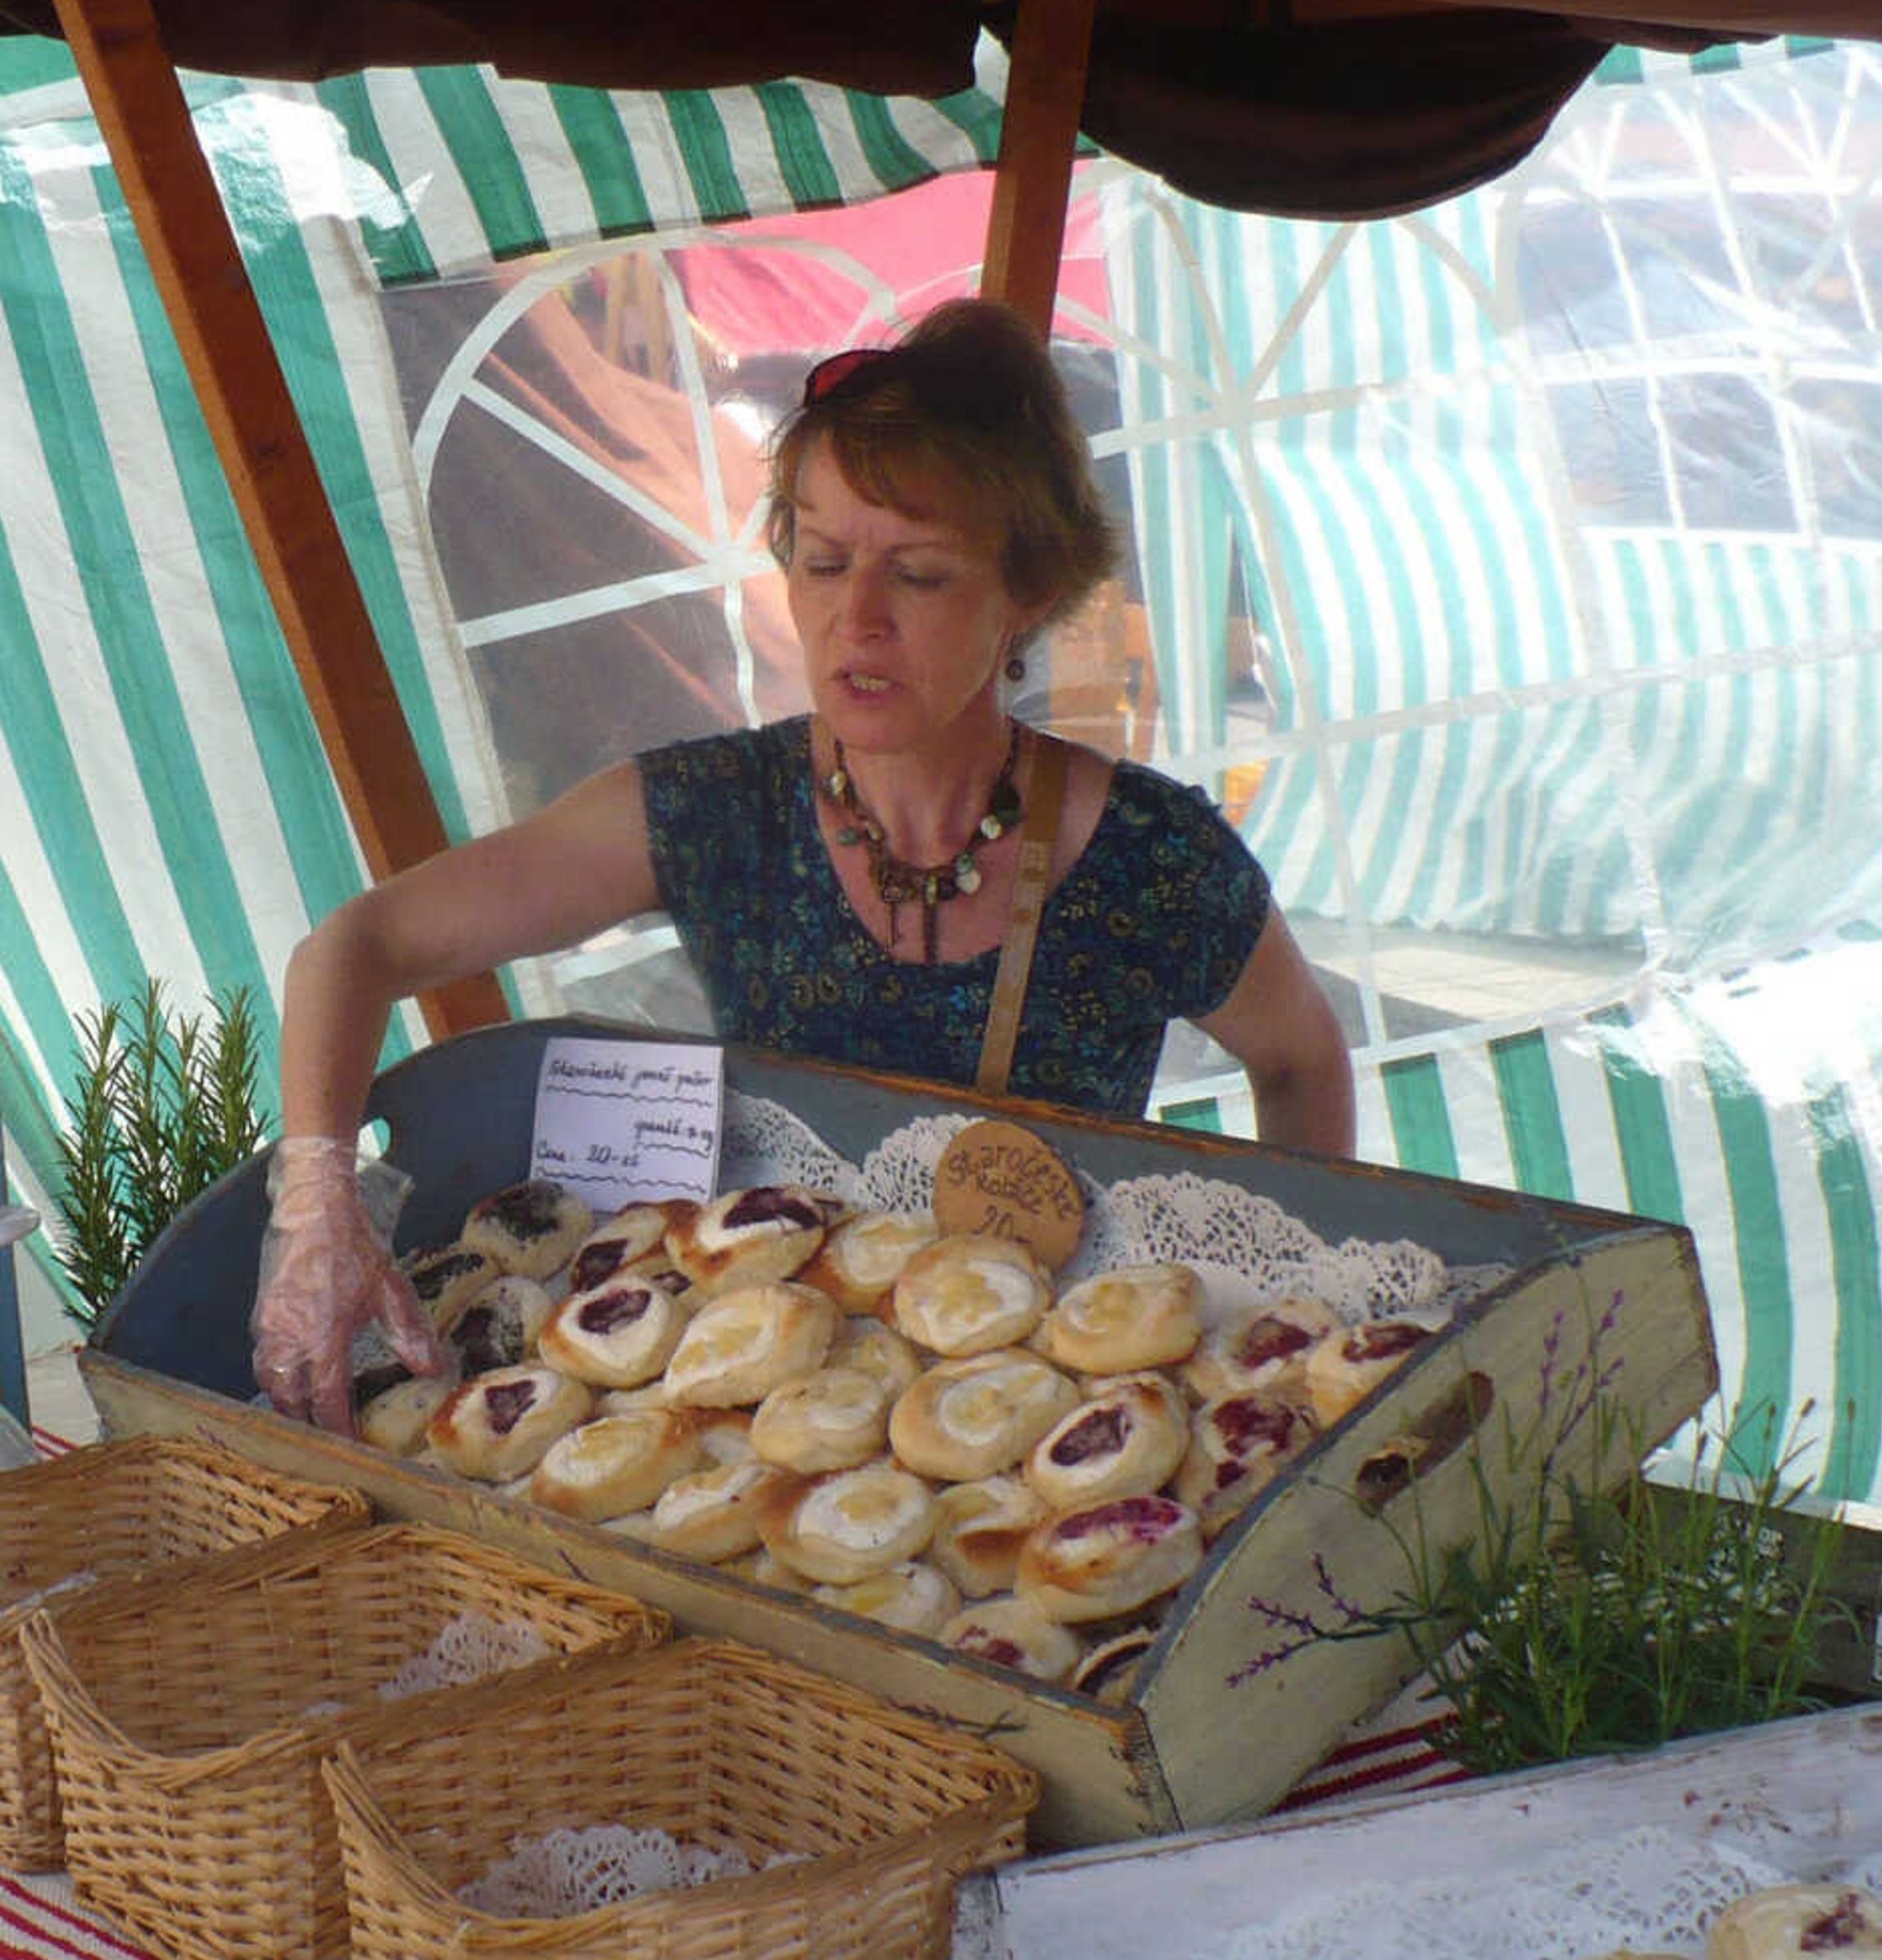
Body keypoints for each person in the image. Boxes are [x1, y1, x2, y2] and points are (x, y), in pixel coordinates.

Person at [257, 300, 1353, 1431]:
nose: (855, 618)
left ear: (1025, 593)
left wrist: (1294, 1314)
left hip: (1058, 1405)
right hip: (780, 1392)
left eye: (918, 576)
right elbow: (358, 947)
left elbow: (1304, 1059)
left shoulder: (1152, 859)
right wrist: (316, 1206)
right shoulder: (717, 813)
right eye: (822, 562)